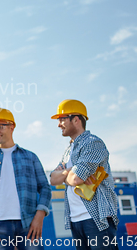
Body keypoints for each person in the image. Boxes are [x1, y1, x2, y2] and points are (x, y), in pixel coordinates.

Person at [0, 108, 51, 250]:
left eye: (0, 127)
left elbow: (45, 188)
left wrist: (39, 216)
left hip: (28, 224)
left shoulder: (30, 157)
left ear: (12, 127)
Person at [50, 99, 119, 250]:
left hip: (96, 219)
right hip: (76, 220)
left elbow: (76, 178)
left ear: (76, 119)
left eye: (62, 119)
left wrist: (68, 175)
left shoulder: (93, 143)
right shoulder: (68, 151)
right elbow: (53, 179)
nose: (58, 124)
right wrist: (71, 171)